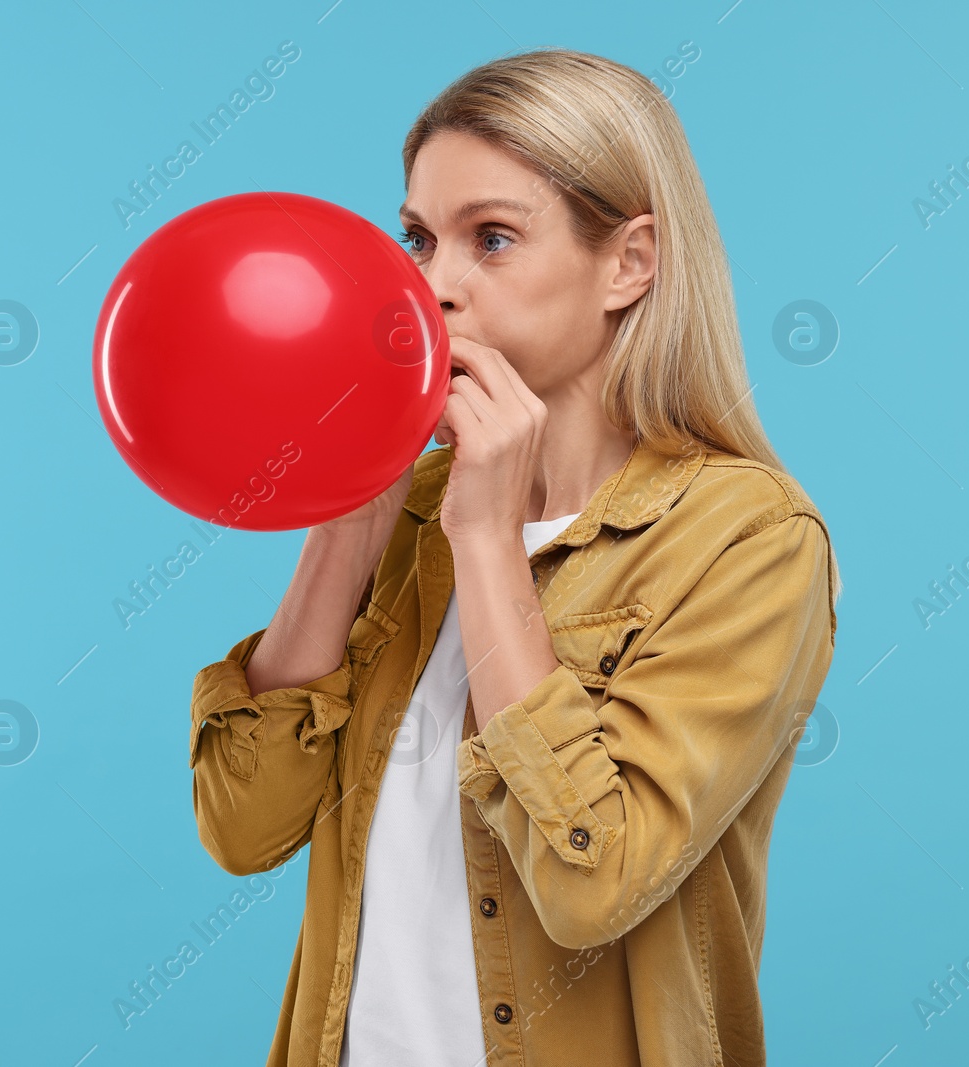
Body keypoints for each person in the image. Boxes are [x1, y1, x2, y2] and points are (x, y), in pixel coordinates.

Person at [187, 47, 842, 1067]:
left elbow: (594, 880)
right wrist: (348, 519)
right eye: (416, 236)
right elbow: (241, 824)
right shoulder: (406, 514)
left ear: (629, 262)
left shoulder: (747, 539)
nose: (430, 285)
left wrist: (489, 540)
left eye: (491, 238)